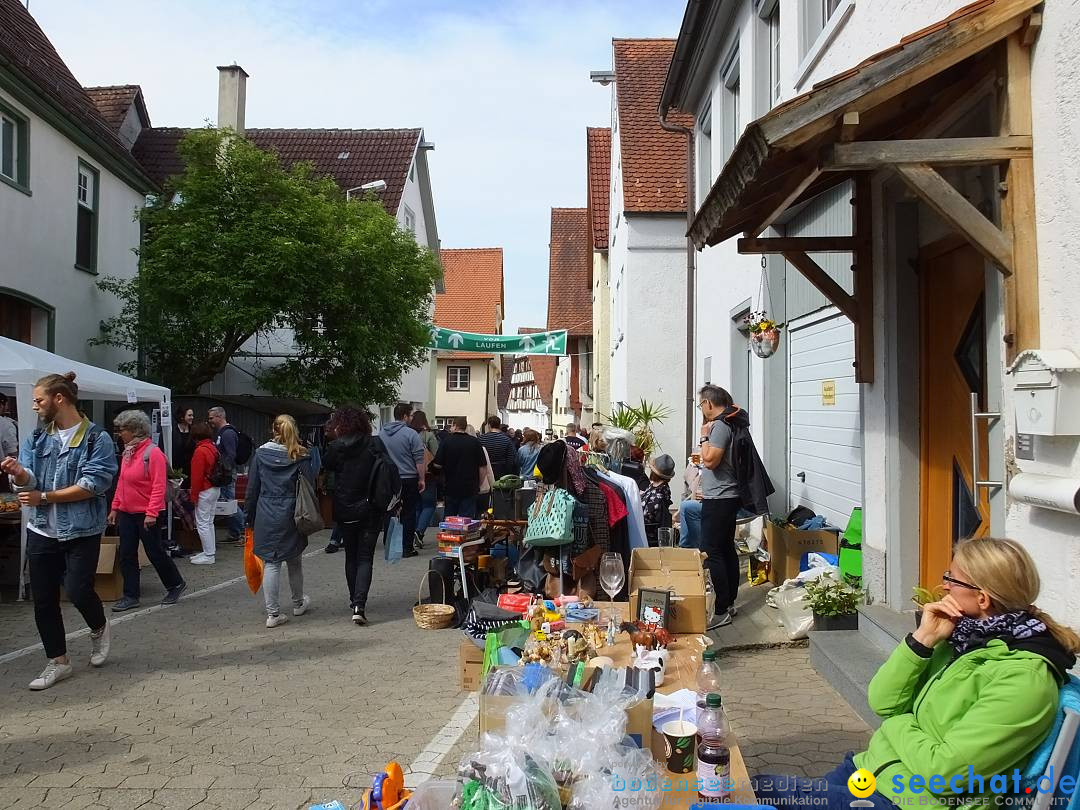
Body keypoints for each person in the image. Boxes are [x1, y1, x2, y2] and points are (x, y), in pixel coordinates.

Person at [754, 537, 1080, 810]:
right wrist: (922, 640)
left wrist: (897, 721)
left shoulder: (1025, 679)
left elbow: (945, 769)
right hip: (870, 770)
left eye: (952, 579)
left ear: (982, 597)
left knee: (760, 790)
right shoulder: (963, 638)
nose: (942, 586)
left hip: (910, 801)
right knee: (748, 790)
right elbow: (881, 700)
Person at [1, 372, 117, 691]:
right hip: (41, 529)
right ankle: (58, 661)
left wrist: (45, 497)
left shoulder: (97, 438)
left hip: (82, 529)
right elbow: (29, 483)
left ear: (59, 399)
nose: (35, 406)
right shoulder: (37, 439)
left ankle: (99, 626)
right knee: (44, 599)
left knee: (79, 590)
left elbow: (93, 484)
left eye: (39, 400)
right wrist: (20, 474)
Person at [107, 410, 186, 611]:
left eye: (122, 430)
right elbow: (122, 483)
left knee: (154, 552)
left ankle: (175, 583)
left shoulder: (154, 453)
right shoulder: (127, 453)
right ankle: (130, 595)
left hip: (146, 513)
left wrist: (152, 513)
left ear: (134, 430)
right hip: (127, 512)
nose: (119, 434)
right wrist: (115, 507)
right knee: (126, 554)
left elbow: (158, 486)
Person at [245, 414, 315, 628]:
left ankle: (273, 614)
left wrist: (248, 518)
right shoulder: (301, 456)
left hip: (266, 511)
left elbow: (252, 489)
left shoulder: (259, 454)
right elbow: (309, 484)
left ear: (273, 430)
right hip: (292, 512)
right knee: (294, 559)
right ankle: (298, 602)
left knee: (272, 563)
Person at [322, 407, 383, 625]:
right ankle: (360, 605)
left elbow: (326, 465)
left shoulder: (336, 447)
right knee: (366, 557)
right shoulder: (374, 444)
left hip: (345, 507)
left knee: (351, 556)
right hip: (371, 507)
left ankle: (352, 600)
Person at [697, 385, 741, 628]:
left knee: (711, 549)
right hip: (725, 496)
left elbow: (710, 460)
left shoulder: (721, 426)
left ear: (709, 404)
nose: (702, 410)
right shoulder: (730, 423)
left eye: (701, 405)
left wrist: (704, 436)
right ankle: (730, 602)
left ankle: (722, 608)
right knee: (725, 548)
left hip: (720, 498)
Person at [379, 403, 425, 559]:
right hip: (408, 478)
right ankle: (406, 547)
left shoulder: (382, 433)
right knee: (409, 513)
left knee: (389, 511)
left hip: (388, 479)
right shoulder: (411, 434)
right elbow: (419, 459)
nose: (412, 418)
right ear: (405, 416)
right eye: (411, 415)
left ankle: (389, 543)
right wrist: (422, 478)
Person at [431, 416, 487, 519]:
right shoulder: (475, 442)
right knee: (467, 520)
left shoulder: (446, 442)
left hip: (451, 486)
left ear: (455, 426)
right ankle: (464, 535)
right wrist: (479, 483)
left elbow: (437, 464)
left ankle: (449, 534)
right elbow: (483, 467)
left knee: (450, 518)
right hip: (470, 487)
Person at [207, 406, 246, 544]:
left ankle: (243, 530)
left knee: (229, 503)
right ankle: (236, 532)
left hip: (226, 474)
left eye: (211, 418)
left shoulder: (227, 433)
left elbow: (230, 454)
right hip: (225, 473)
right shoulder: (221, 432)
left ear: (219, 417)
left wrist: (223, 471)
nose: (209, 420)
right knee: (227, 503)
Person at [187, 420, 220, 564]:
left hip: (204, 489)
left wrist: (193, 496)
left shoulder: (200, 451)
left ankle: (209, 555)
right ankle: (209, 552)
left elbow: (196, 477)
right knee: (209, 522)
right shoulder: (212, 447)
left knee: (202, 523)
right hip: (214, 487)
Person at [410, 410, 439, 550]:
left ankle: (412, 533)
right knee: (429, 506)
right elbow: (437, 455)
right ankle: (419, 532)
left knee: (416, 506)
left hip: (410, 474)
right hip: (427, 475)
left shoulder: (407, 435)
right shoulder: (428, 436)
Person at [641, 454, 674, 546]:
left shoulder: (658, 494)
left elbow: (647, 515)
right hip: (651, 534)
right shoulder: (658, 487)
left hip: (648, 536)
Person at [477, 415, 516, 479]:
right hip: (502, 472)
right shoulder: (507, 440)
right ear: (499, 425)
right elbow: (510, 459)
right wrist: (508, 472)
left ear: (489, 425)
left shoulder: (481, 439)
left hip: (485, 472)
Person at [171, 406, 195, 481]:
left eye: (192, 415)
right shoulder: (172, 431)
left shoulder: (194, 431)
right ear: (182, 417)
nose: (192, 417)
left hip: (190, 468)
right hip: (176, 469)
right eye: (189, 415)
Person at [0, 392, 18, 458]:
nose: (7, 408)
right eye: (6, 405)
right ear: (1, 405)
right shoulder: (5, 424)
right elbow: (12, 453)